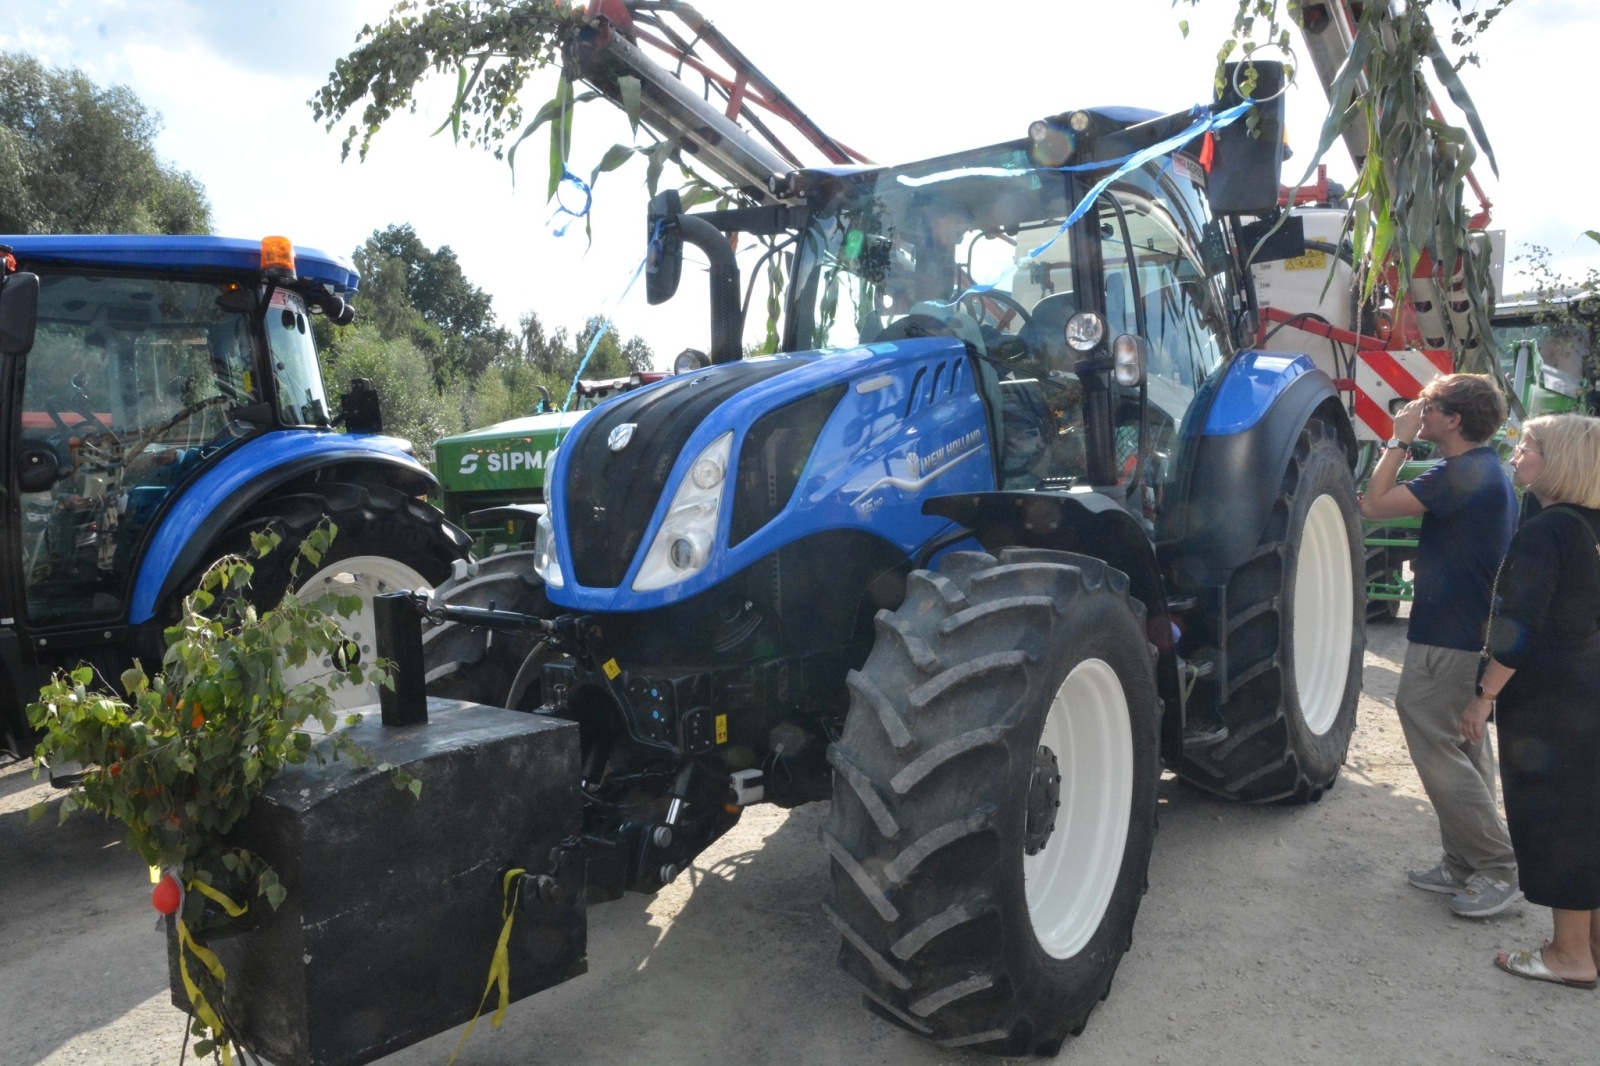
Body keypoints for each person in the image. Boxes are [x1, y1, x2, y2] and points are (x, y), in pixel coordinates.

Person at [1360, 373, 1520, 917]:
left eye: (1427, 407)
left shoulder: (1461, 473)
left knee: (1433, 736)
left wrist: (1398, 438)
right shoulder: (1483, 469)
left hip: (1448, 635)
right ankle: (1465, 861)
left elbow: (1372, 504)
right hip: (1465, 631)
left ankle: (1496, 866)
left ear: (1454, 419)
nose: (1417, 412)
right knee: (1463, 743)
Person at [1460, 414, 1600, 988]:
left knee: (1558, 825)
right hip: (1588, 690)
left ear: (1559, 460)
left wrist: (1484, 696)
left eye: (1527, 447)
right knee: (1588, 820)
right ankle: (1590, 946)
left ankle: (1569, 957)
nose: (1515, 456)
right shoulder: (1590, 525)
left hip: (1549, 704)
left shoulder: (1546, 531)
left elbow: (1519, 627)